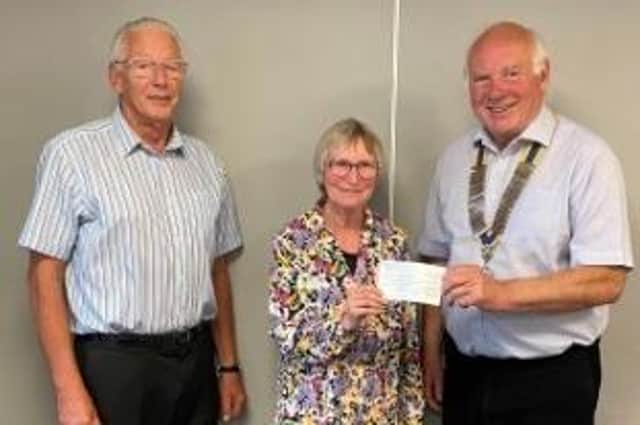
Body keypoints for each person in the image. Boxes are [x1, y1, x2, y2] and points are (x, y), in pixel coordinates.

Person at [19, 17, 246, 425]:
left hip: (195, 364)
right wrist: (67, 389)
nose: (161, 80)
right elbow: (43, 275)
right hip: (113, 368)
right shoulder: (71, 156)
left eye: (173, 67)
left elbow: (217, 270)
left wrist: (228, 366)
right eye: (143, 66)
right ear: (116, 78)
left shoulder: (207, 164)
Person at [418, 21, 633, 425]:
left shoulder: (588, 159)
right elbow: (435, 260)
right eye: (481, 78)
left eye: (510, 73)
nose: (495, 90)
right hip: (464, 373)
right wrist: (430, 351)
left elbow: (606, 279)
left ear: (543, 75)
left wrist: (499, 293)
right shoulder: (452, 160)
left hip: (550, 382)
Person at [269, 118, 425, 424]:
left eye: (365, 165)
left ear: (376, 174)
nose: (353, 176)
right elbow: (286, 336)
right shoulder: (293, 241)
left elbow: (408, 345)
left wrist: (412, 415)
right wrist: (345, 320)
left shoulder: (394, 241)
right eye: (341, 164)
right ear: (322, 171)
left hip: (380, 412)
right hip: (313, 412)